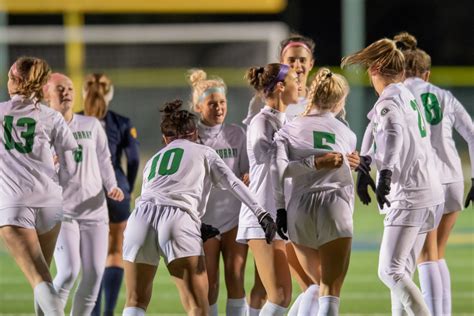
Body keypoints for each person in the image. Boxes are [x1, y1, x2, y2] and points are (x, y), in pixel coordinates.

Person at [121, 99, 276, 316]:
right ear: (195, 133)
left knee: (135, 300)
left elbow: (156, 194)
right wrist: (261, 213)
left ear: (166, 139)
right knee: (197, 306)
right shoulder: (204, 151)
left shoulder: (153, 160)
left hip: (139, 218)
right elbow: (233, 182)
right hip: (177, 218)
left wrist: (197, 224)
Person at [342, 38, 445, 315]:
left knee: (389, 271)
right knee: (402, 271)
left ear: (375, 67)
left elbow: (394, 133)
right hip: (429, 191)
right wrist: (365, 165)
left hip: (411, 194)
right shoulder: (404, 93)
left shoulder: (389, 100)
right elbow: (377, 129)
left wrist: (384, 174)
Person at [395, 32, 474, 315]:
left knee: (425, 257)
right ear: (426, 74)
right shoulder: (444, 95)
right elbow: (472, 134)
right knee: (438, 254)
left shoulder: (401, 95)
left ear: (401, 70)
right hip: (454, 179)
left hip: (426, 182)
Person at [272, 67, 359, 315]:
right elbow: (341, 165)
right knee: (330, 290)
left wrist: (280, 209)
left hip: (299, 209)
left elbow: (278, 171)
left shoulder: (289, 127)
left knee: (314, 286)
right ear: (340, 100)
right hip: (335, 206)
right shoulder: (348, 134)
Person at [242, 34, 318, 316]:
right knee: (278, 295)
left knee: (307, 290)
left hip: (286, 211)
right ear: (280, 86)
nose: (299, 75)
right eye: (292, 69)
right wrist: (316, 162)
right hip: (265, 214)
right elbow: (278, 166)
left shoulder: (283, 119)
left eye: (303, 63)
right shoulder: (263, 121)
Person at [0, 57, 77, 315]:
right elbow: (71, 163)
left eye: (11, 77)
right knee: (42, 276)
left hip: (14, 205)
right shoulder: (51, 117)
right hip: (50, 204)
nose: (7, 81)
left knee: (40, 279)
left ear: (19, 81)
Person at [44, 73, 125, 315]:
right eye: (60, 88)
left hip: (94, 210)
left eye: (69, 87)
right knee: (68, 272)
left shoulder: (90, 125)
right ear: (46, 95)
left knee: (94, 275)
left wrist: (112, 185)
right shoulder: (42, 129)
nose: (66, 92)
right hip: (62, 211)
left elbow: (104, 159)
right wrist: (49, 164)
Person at [187, 69, 250, 316]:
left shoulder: (237, 133)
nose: (219, 108)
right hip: (205, 222)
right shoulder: (191, 138)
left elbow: (246, 169)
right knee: (210, 285)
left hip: (234, 218)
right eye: (212, 103)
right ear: (198, 106)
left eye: (222, 102)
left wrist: (248, 176)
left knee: (236, 279)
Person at [83, 73, 140, 316]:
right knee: (115, 251)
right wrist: (127, 185)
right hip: (115, 189)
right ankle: (107, 313)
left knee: (90, 255)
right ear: (110, 93)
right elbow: (134, 158)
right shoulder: (121, 122)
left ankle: (92, 312)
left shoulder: (75, 119)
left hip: (84, 191)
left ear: (84, 92)